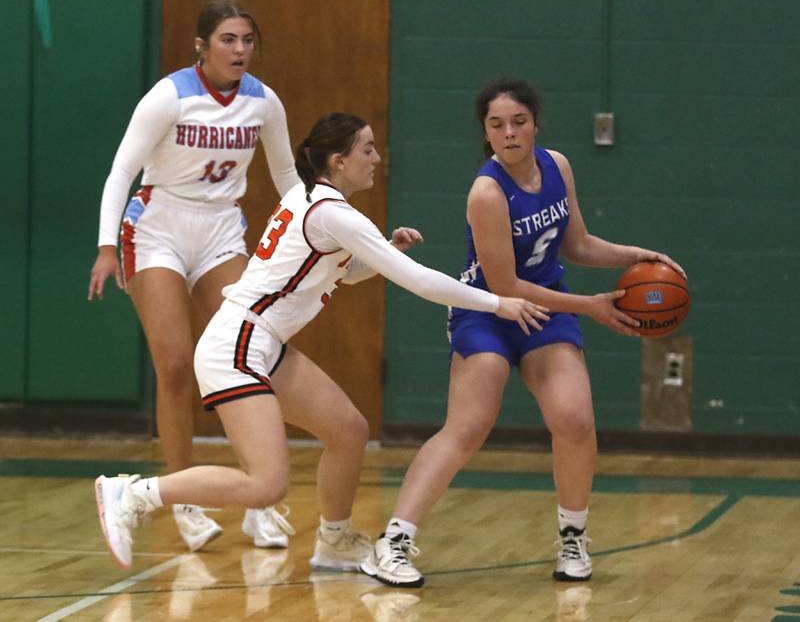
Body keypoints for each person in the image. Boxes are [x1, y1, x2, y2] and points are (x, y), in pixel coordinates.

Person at [93, 112, 548, 570]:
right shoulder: (333, 213)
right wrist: (497, 303)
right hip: (237, 346)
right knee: (266, 484)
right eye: (367, 149)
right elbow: (421, 282)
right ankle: (133, 493)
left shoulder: (311, 200)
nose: (376, 157)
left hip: (260, 342)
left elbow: (343, 274)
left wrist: (385, 250)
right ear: (339, 160)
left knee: (348, 431)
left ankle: (334, 542)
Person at [360, 78, 686, 587]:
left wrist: (635, 255)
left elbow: (576, 244)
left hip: (546, 307)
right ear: (485, 135)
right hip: (488, 307)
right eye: (497, 125)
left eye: (518, 121)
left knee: (575, 419)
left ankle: (572, 537)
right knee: (469, 425)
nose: (509, 132)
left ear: (535, 123)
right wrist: (591, 306)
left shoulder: (557, 167)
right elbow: (507, 284)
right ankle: (394, 542)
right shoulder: (486, 193)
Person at [87, 0, 302, 552]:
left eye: (247, 40)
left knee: (252, 348)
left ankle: (260, 496)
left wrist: (320, 229)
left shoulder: (263, 102)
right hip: (157, 225)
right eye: (228, 39)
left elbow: (285, 177)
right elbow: (121, 171)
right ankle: (182, 496)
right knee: (177, 364)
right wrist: (106, 246)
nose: (240, 50)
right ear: (202, 46)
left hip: (220, 229)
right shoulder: (170, 95)